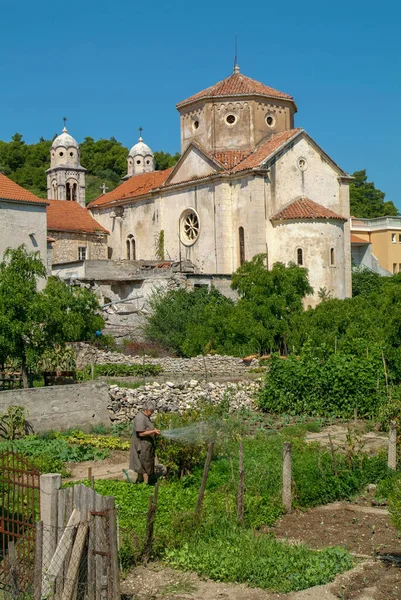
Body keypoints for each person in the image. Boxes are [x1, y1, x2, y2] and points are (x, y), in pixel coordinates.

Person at [127, 401, 160, 484]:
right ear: (146, 410)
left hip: (146, 444)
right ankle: (145, 483)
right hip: (142, 445)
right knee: (144, 463)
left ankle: (143, 482)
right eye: (151, 411)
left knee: (145, 463)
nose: (152, 413)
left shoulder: (145, 417)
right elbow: (141, 433)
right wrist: (153, 431)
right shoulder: (140, 418)